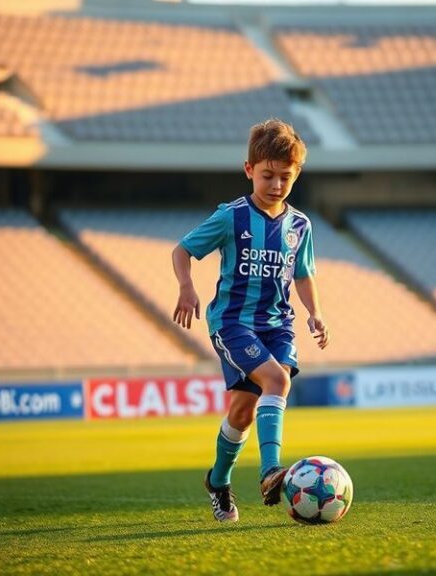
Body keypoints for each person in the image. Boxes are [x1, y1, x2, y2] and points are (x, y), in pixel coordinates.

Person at [171, 118, 329, 523]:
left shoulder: (300, 225)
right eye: (267, 175)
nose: (276, 185)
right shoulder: (232, 216)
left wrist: (315, 312)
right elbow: (182, 250)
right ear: (249, 170)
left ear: (296, 175)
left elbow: (303, 274)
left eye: (285, 177)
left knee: (242, 411)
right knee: (278, 381)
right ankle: (270, 471)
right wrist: (186, 287)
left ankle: (218, 481)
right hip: (233, 323)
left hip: (278, 325)